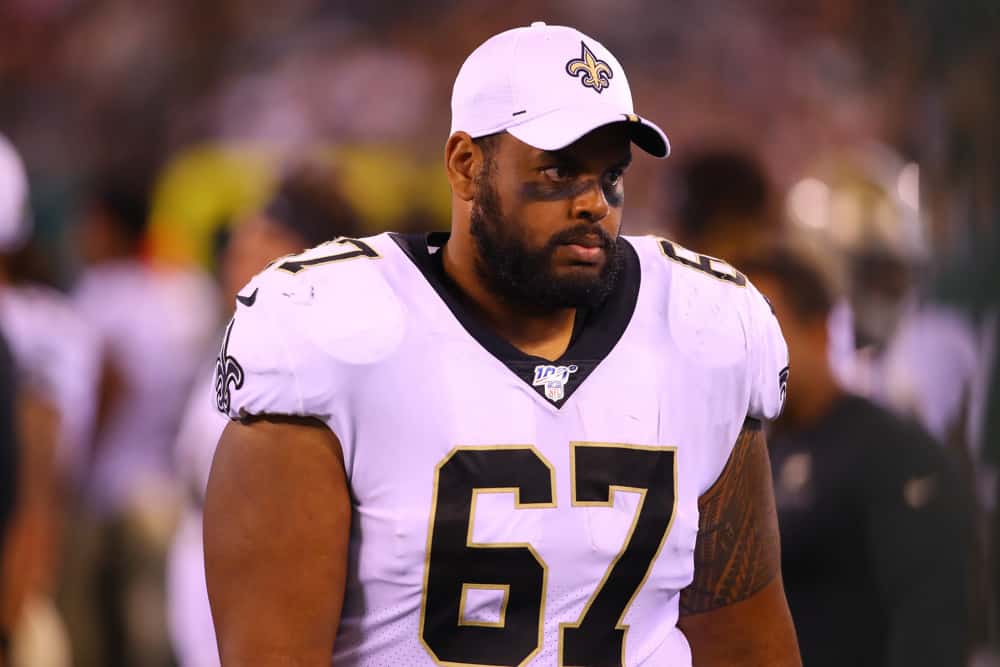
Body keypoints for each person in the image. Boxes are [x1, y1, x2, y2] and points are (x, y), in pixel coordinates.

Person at [205, 23, 800, 666]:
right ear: (467, 164)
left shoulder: (702, 331)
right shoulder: (333, 332)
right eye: (558, 171)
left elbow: (746, 645)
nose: (593, 204)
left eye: (612, 177)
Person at [167, 161, 365, 667]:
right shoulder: (240, 329)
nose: (240, 257)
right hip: (205, 551)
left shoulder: (321, 351)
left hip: (267, 566)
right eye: (239, 245)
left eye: (262, 242)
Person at [741, 245, 973, 667]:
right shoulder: (755, 456)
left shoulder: (891, 451)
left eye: (762, 336)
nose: (746, 358)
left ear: (821, 330)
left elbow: (932, 623)